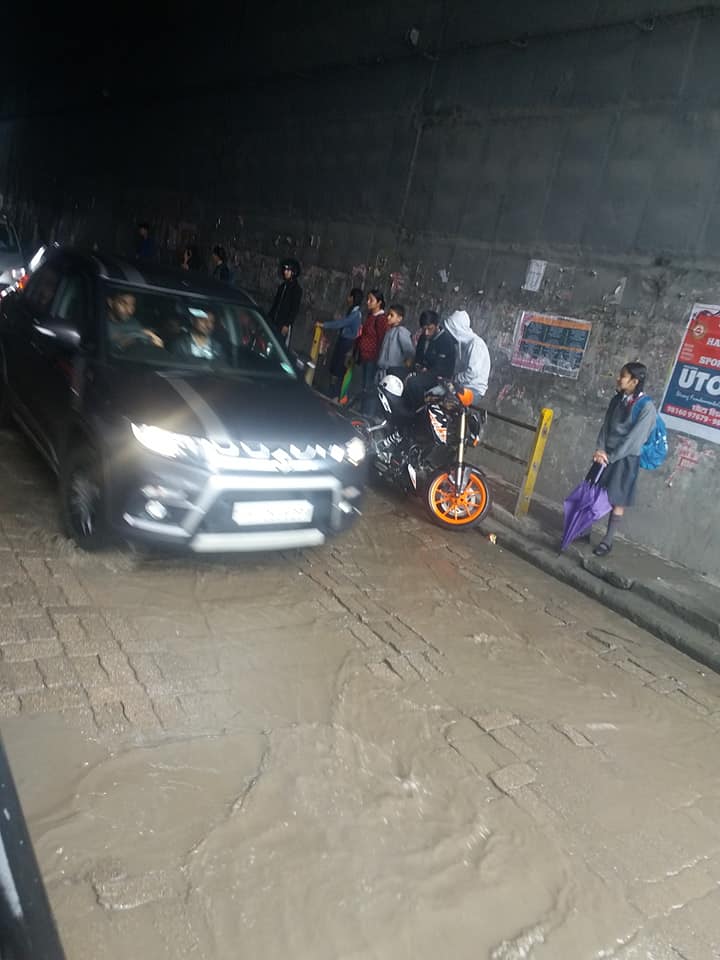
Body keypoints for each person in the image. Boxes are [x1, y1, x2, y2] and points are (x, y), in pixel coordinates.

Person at [591, 362, 656, 557]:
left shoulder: (646, 407)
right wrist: (600, 449)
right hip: (606, 454)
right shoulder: (616, 400)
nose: (618, 379)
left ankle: (608, 541)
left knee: (617, 499)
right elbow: (606, 426)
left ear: (635, 381)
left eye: (623, 376)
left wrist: (610, 457)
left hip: (625, 458)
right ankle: (583, 530)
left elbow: (634, 440)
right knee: (594, 491)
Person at [316, 288, 363, 398]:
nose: (348, 299)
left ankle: (335, 393)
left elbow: (342, 323)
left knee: (339, 368)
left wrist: (324, 325)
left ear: (353, 298)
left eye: (349, 296)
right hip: (344, 340)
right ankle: (333, 392)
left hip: (347, 343)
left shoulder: (356, 314)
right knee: (336, 366)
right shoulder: (353, 311)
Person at [355, 289, 387, 414]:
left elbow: (381, 340)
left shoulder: (381, 319)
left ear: (379, 303)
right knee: (364, 385)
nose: (368, 302)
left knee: (369, 386)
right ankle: (363, 411)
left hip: (373, 358)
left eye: (371, 300)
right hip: (365, 356)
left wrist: (378, 358)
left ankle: (367, 414)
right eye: (368, 299)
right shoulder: (370, 316)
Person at [268, 258, 302, 346]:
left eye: (288, 270)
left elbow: (294, 309)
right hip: (274, 321)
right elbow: (275, 304)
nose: (285, 272)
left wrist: (287, 324)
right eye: (285, 269)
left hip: (284, 323)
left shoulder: (296, 290)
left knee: (280, 345)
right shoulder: (282, 287)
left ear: (293, 272)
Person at [376, 303, 415, 381]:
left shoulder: (401, 332)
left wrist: (406, 365)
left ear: (399, 318)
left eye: (391, 315)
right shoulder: (389, 331)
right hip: (382, 370)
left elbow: (410, 351)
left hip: (393, 372)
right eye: (388, 314)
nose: (388, 317)